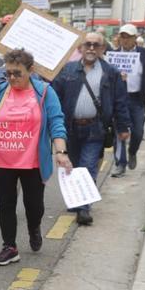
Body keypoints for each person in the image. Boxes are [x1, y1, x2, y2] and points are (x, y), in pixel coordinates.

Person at [0, 49, 72, 266]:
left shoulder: (45, 92)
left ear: (31, 70)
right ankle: (9, 246)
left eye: (17, 73)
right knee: (6, 204)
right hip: (3, 161)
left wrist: (61, 152)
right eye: (8, 73)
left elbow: (56, 122)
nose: (12, 78)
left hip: (33, 162)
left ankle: (34, 227)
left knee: (33, 206)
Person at [52, 32, 131, 226]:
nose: (91, 48)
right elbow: (54, 97)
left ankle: (84, 208)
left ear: (103, 49)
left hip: (95, 128)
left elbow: (120, 101)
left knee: (88, 167)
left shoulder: (111, 72)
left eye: (96, 45)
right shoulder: (67, 70)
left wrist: (123, 126)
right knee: (73, 167)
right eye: (88, 44)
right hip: (69, 128)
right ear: (80, 48)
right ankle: (75, 200)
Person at [114, 23, 145, 172]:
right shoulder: (114, 55)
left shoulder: (144, 54)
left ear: (135, 38)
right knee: (119, 131)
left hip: (137, 99)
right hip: (119, 99)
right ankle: (120, 164)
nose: (125, 40)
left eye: (128, 37)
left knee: (138, 131)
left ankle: (132, 151)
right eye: (123, 37)